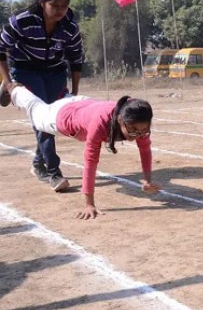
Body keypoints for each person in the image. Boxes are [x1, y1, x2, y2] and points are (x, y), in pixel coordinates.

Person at [5, 82, 160, 219]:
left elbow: (145, 150)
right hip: (64, 115)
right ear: (120, 120)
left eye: (143, 130)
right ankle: (16, 89)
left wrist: (147, 180)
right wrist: (89, 204)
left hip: (84, 103)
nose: (137, 135)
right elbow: (90, 163)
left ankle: (64, 95)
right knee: (37, 113)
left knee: (139, 132)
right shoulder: (100, 124)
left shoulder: (138, 117)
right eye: (133, 130)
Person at [0, 0, 83, 191]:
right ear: (42, 3)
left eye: (64, 6)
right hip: (25, 70)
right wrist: (10, 82)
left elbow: (76, 60)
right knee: (42, 116)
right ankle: (53, 172)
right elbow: (1, 50)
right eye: (54, 5)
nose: (59, 10)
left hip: (55, 72)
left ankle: (38, 163)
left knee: (53, 119)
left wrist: (74, 92)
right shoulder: (21, 22)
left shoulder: (70, 27)